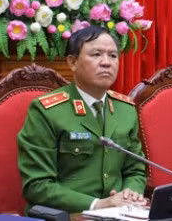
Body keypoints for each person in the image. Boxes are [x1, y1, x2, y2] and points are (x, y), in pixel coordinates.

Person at [18, 26, 146, 213]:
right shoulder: (47, 111)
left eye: (113, 55)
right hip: (67, 215)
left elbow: (135, 170)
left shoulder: (125, 109)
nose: (106, 63)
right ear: (73, 62)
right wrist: (97, 205)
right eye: (96, 54)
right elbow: (37, 185)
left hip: (120, 213)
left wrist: (130, 194)